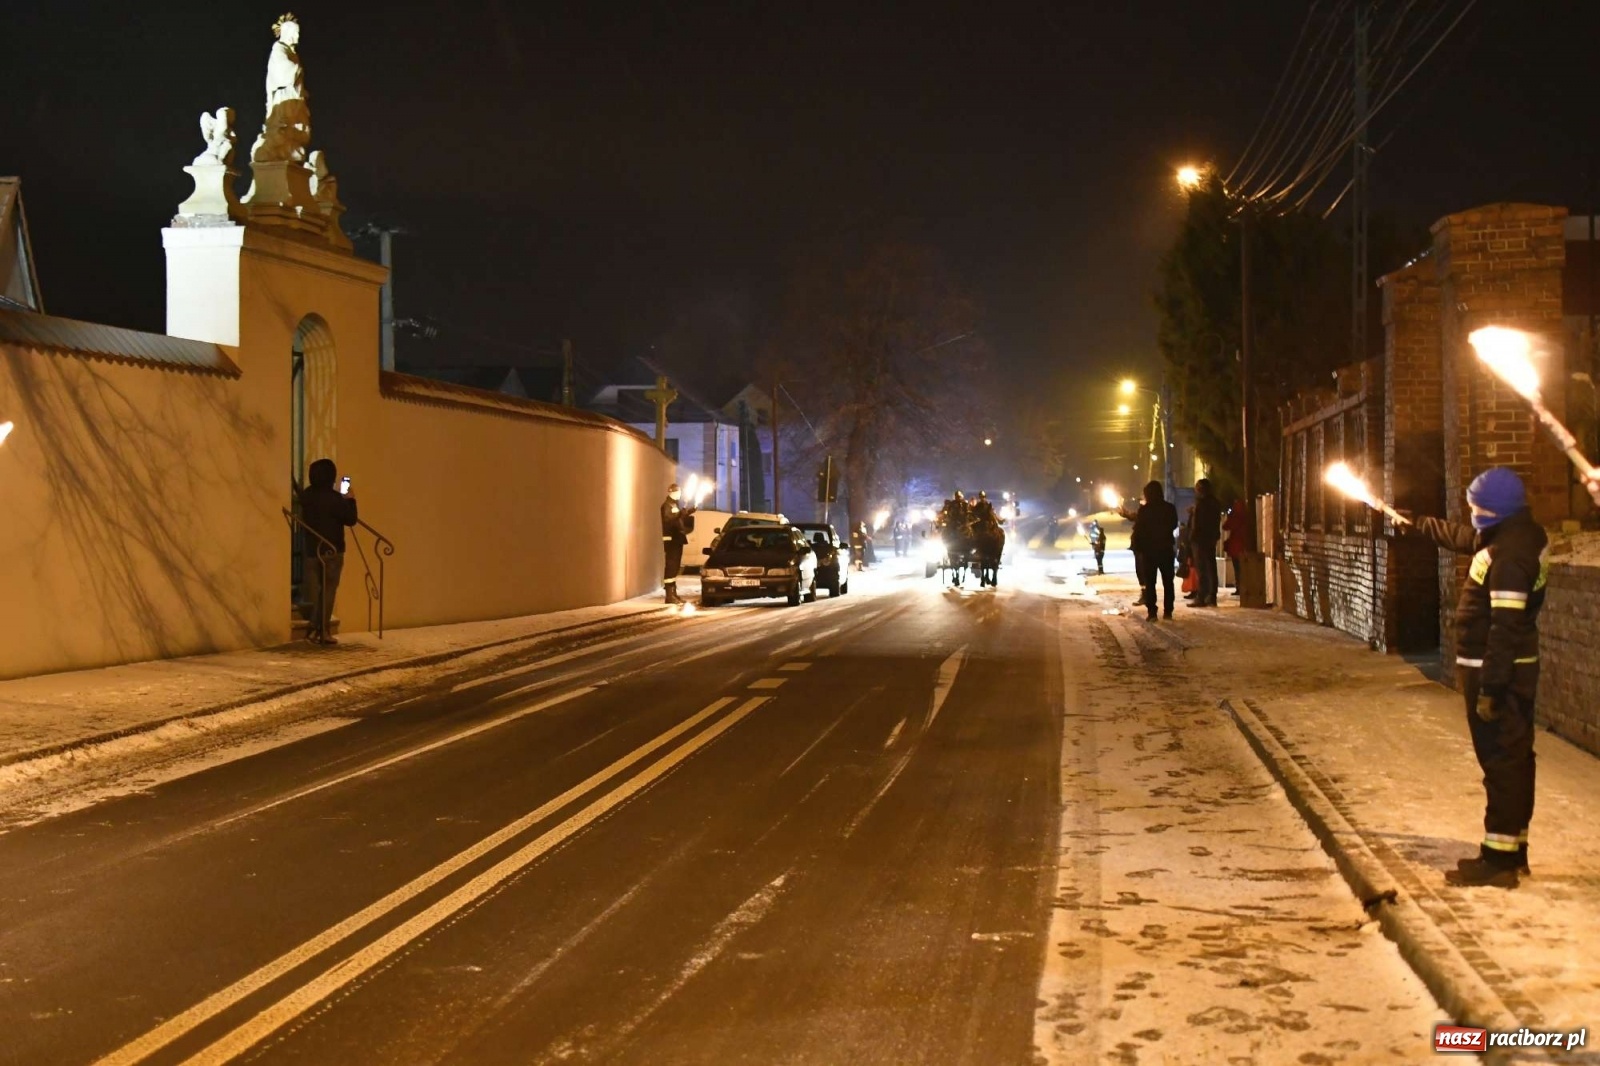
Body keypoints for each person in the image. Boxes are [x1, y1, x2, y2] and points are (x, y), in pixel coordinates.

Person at [1407, 467, 1547, 888]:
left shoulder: (1511, 558)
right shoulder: (1513, 535)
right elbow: (1466, 540)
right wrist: (1415, 523)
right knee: (1515, 757)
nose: (1470, 515)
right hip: (1503, 669)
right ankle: (1513, 847)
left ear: (1492, 509)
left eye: (1473, 507)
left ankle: (1498, 861)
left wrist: (1491, 689)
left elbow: (1504, 628)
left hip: (1496, 672)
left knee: (1501, 761)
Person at [297, 458, 358, 645]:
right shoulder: (335, 499)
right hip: (332, 550)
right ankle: (321, 630)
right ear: (331, 476)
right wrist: (350, 499)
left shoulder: (306, 496)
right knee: (328, 591)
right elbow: (351, 519)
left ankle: (315, 628)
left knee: (317, 592)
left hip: (310, 550)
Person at [1127, 481, 1178, 621]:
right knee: (1168, 582)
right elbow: (1173, 524)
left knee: (1150, 582)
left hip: (1149, 550)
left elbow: (1139, 529)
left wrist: (1138, 546)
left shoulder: (1145, 510)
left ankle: (1152, 612)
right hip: (1166, 548)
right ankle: (1168, 611)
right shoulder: (1169, 508)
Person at [660, 482, 695, 604]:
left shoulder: (674, 505)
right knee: (671, 567)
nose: (680, 494)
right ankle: (669, 596)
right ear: (673, 492)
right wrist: (682, 513)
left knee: (675, 567)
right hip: (672, 540)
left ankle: (673, 594)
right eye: (679, 492)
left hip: (677, 540)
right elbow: (670, 519)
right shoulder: (667, 506)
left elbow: (679, 518)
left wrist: (689, 511)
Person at [1190, 478, 1223, 607]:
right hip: (1210, 538)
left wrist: (1192, 537)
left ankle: (1202, 596)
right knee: (1211, 566)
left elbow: (1198, 523)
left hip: (1200, 539)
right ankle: (1211, 595)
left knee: (1202, 568)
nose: (1196, 490)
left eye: (1197, 488)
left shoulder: (1201, 504)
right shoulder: (1214, 503)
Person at [1223, 498, 1251, 594]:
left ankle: (1239, 588)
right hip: (1244, 546)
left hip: (1235, 546)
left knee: (1237, 568)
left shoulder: (1234, 516)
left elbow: (1225, 526)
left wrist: (1230, 516)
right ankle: (1244, 587)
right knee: (1244, 569)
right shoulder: (1247, 516)